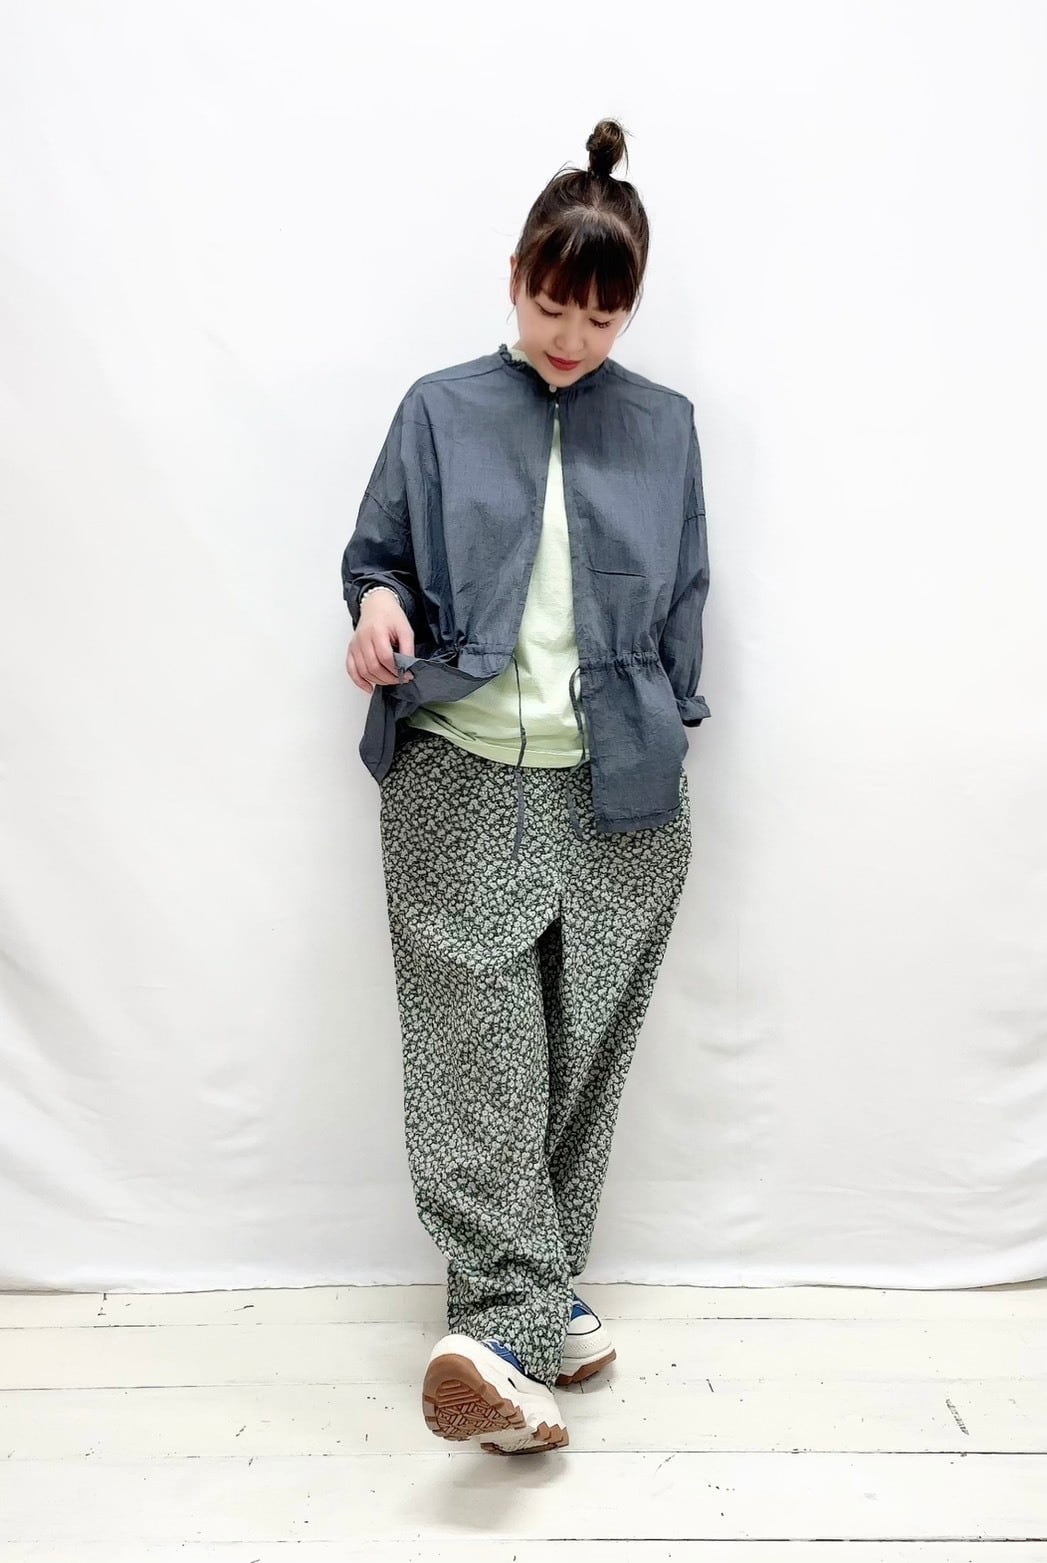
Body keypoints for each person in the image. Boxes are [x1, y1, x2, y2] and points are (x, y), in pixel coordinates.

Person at [341, 118, 711, 1455]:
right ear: (516, 278)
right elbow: (375, 558)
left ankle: (532, 1307)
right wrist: (378, 609)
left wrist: (669, 725)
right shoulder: (440, 411)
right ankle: (503, 1339)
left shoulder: (666, 428)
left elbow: (687, 598)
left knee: (577, 1057)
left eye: (602, 318)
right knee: (478, 1057)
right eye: (554, 305)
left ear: (630, 311)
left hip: (623, 788)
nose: (572, 337)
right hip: (460, 773)